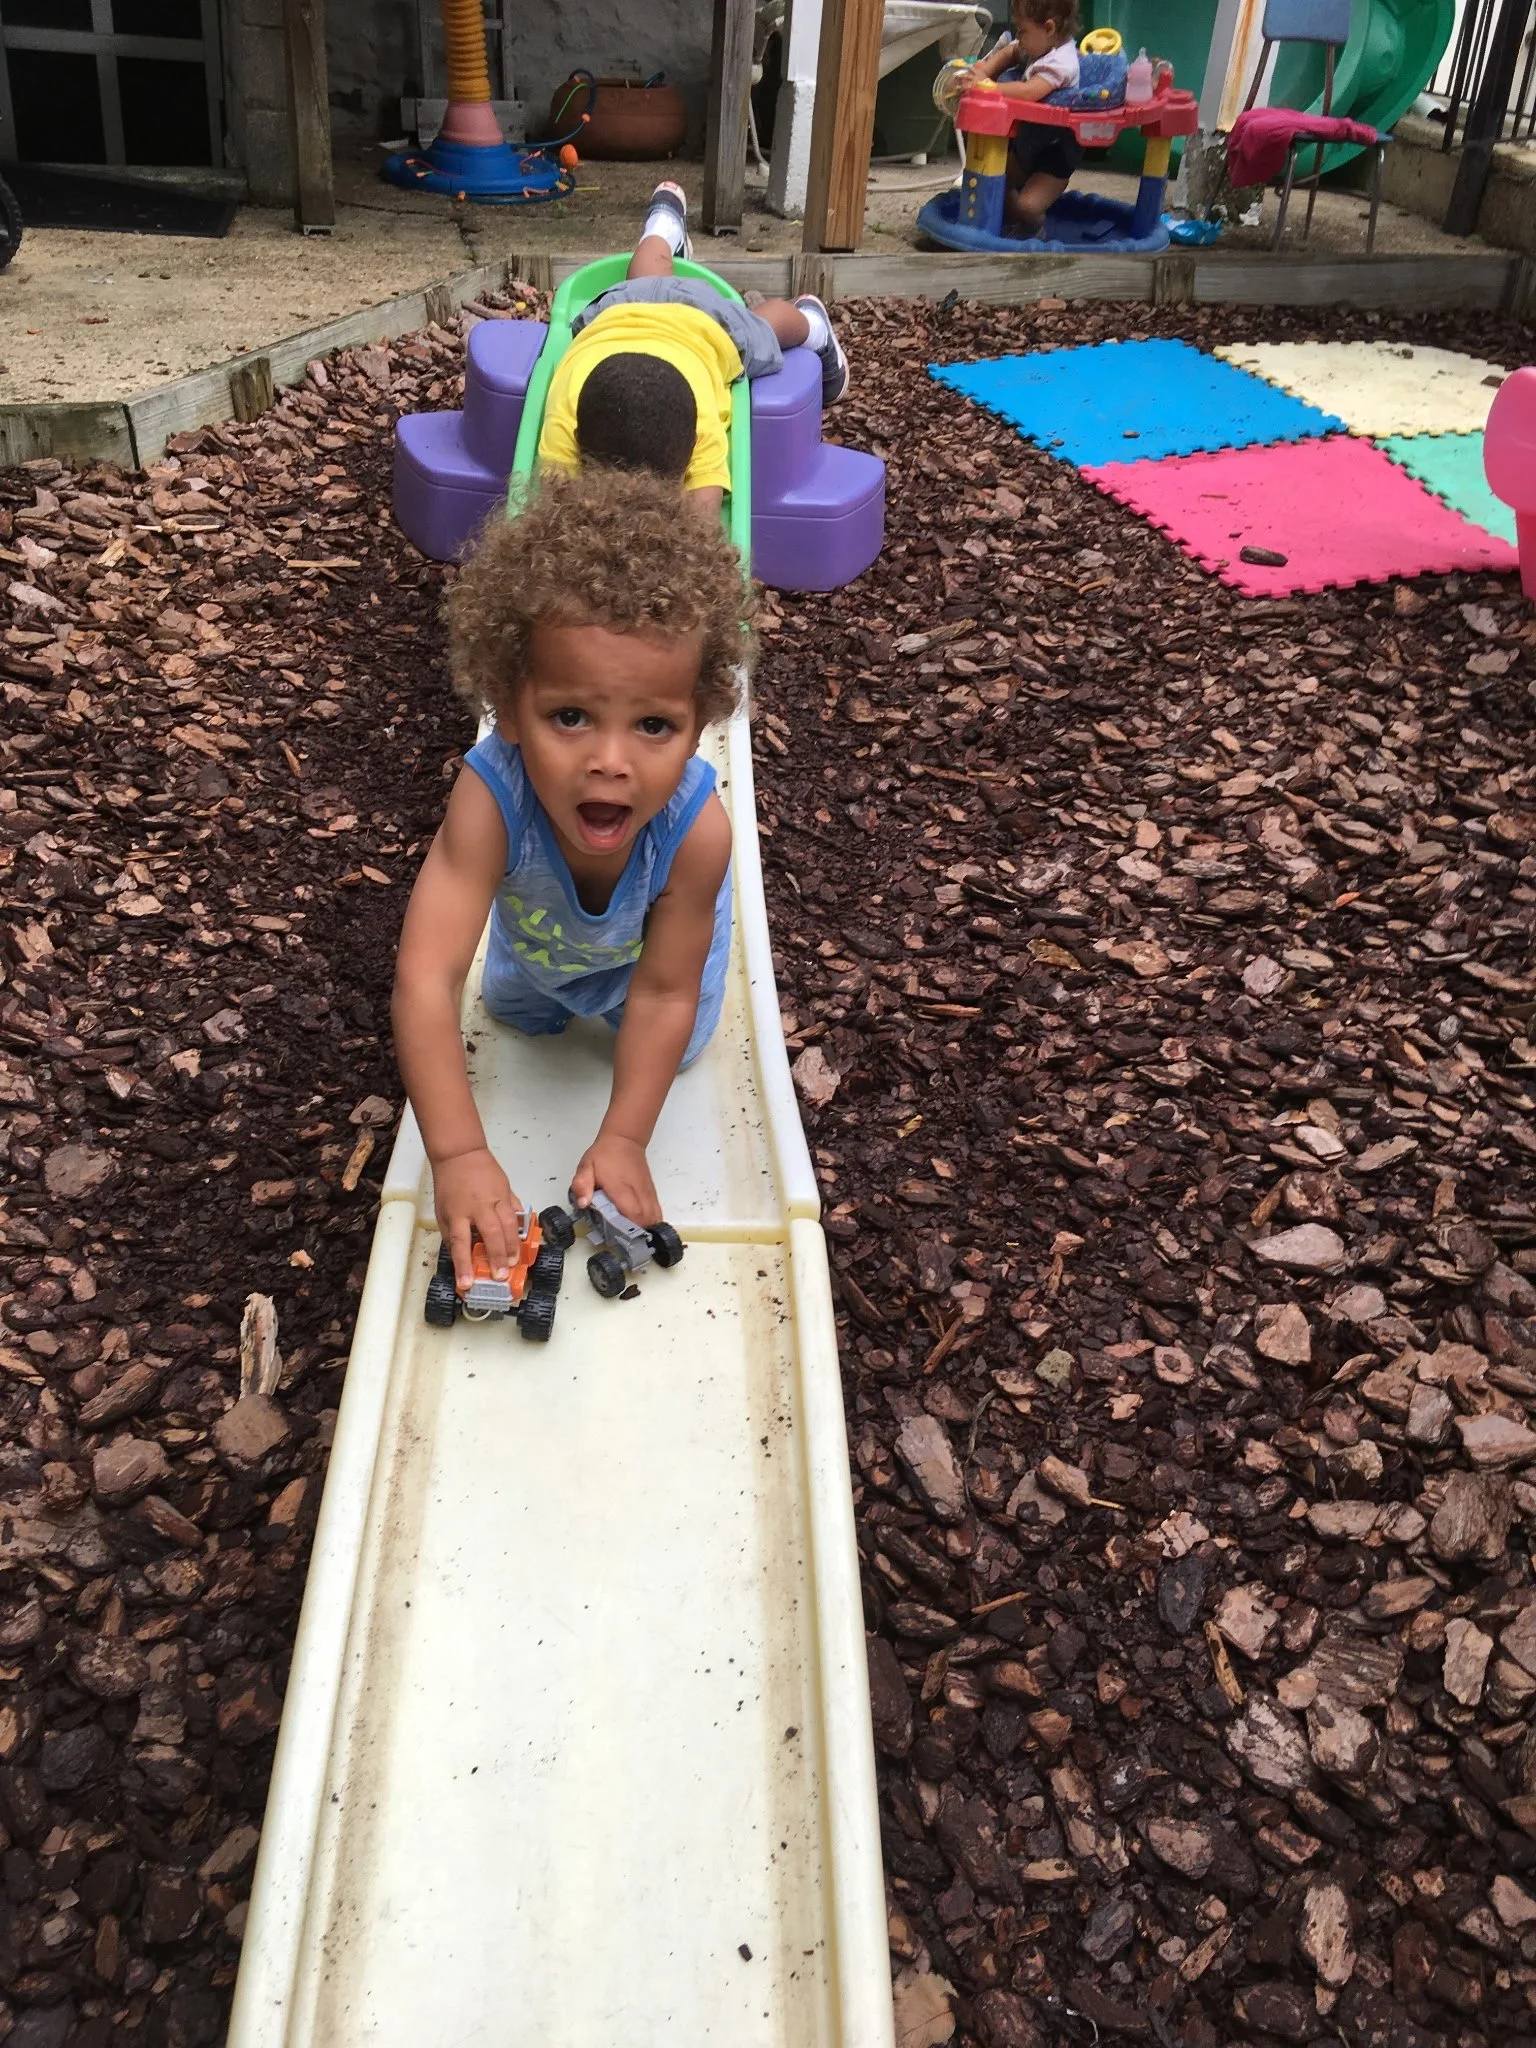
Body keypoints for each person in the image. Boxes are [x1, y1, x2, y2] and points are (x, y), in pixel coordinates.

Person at [392, 467, 751, 1288]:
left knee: (678, 1046)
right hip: (540, 952)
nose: (610, 761)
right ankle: (550, 994)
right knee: (511, 1013)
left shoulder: (696, 834)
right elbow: (426, 974)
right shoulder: (491, 799)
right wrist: (458, 1151)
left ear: (699, 724)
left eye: (654, 725)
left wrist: (623, 1137)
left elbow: (662, 994)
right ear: (511, 708)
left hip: (647, 969)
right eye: (570, 717)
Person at [538, 181, 849, 525]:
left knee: (764, 328)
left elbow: (704, 520)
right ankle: (663, 225)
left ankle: (812, 324)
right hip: (621, 313)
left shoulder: (697, 425)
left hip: (694, 324)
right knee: (646, 279)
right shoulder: (569, 421)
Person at [960, 0, 1082, 237]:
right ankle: (1010, 225)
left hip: (1056, 153)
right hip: (1030, 142)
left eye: (1023, 30)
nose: (1019, 36)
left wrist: (988, 86)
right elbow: (1012, 50)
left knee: (1027, 206)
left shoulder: (1061, 63)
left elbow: (1029, 92)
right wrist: (985, 70)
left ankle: (1036, 228)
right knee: (994, 181)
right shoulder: (1038, 44)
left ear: (1049, 28)